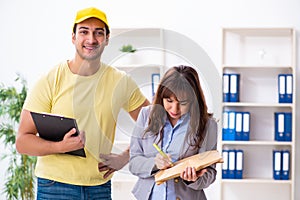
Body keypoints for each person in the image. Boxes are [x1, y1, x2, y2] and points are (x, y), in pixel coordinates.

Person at [16, 7, 149, 200]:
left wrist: (124, 157)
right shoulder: (51, 79)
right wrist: (60, 147)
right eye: (84, 31)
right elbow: (22, 141)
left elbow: (154, 125)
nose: (91, 39)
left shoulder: (121, 81)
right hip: (55, 186)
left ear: (107, 39)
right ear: (73, 37)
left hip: (99, 187)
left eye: (98, 33)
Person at [129, 65, 218, 200]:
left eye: (182, 103)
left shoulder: (207, 125)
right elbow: (134, 163)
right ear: (161, 97)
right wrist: (154, 164)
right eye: (169, 101)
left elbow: (210, 173)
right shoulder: (146, 116)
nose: (174, 109)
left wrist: (192, 179)